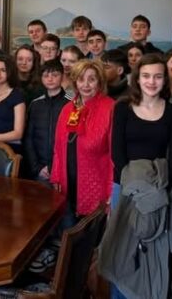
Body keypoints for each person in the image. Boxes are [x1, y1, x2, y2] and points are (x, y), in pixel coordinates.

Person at [109, 53, 172, 299]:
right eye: (146, 76)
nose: (152, 81)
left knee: (152, 250)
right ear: (137, 79)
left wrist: (157, 191)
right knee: (121, 249)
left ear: (165, 80)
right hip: (125, 187)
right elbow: (117, 153)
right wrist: (134, 188)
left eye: (158, 76)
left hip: (158, 189)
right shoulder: (122, 108)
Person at [51, 60, 114, 225]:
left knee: (91, 235)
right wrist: (56, 177)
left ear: (100, 82)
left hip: (96, 186)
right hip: (67, 184)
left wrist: (111, 193)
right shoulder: (68, 108)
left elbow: (114, 157)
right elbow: (58, 148)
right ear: (75, 82)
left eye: (91, 79)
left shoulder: (111, 108)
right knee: (68, 231)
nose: (85, 85)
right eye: (81, 79)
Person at [23, 60, 69, 181]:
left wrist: (53, 166)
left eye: (54, 75)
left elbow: (71, 141)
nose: (50, 79)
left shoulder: (71, 104)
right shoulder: (35, 104)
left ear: (62, 76)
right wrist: (36, 167)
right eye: (46, 75)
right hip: (37, 169)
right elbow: (28, 138)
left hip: (63, 167)